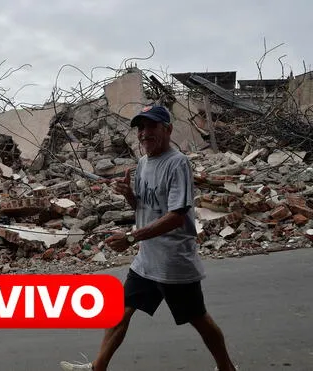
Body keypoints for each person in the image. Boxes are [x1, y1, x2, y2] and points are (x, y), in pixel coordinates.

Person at [59, 105, 238, 371]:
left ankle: (227, 368)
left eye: (151, 126)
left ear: (167, 129)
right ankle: (97, 368)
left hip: (173, 262)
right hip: (146, 259)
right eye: (141, 128)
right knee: (119, 313)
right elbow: (144, 208)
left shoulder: (177, 164)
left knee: (199, 319)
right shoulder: (143, 163)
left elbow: (177, 216)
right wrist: (128, 195)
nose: (144, 133)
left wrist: (131, 237)